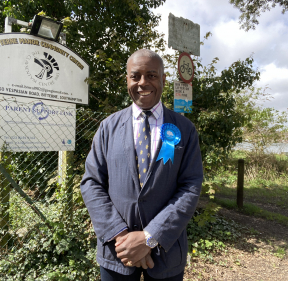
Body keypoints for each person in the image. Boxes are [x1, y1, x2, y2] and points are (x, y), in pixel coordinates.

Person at [80, 49, 203, 280]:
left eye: (152, 75)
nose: (143, 83)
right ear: (127, 79)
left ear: (164, 79)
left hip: (166, 251)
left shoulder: (184, 129)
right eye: (135, 76)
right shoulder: (108, 127)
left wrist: (149, 237)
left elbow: (191, 185)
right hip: (118, 253)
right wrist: (122, 237)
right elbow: (91, 183)